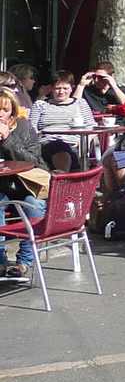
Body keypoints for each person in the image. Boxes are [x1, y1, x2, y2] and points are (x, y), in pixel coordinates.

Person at [0, 88, 48, 281]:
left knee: (35, 205)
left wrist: (7, 140)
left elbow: (34, 160)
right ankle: (1, 260)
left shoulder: (23, 127)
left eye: (4, 109)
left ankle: (24, 261)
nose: (0, 114)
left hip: (24, 183)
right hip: (1, 186)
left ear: (12, 110)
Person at [30, 70, 96, 170]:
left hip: (73, 146)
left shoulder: (80, 103)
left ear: (71, 88)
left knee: (62, 147)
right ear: (51, 88)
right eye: (57, 88)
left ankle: (61, 177)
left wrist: (84, 144)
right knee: (58, 145)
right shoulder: (40, 104)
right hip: (46, 144)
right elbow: (31, 128)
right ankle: (62, 178)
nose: (61, 92)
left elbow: (92, 126)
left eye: (65, 88)